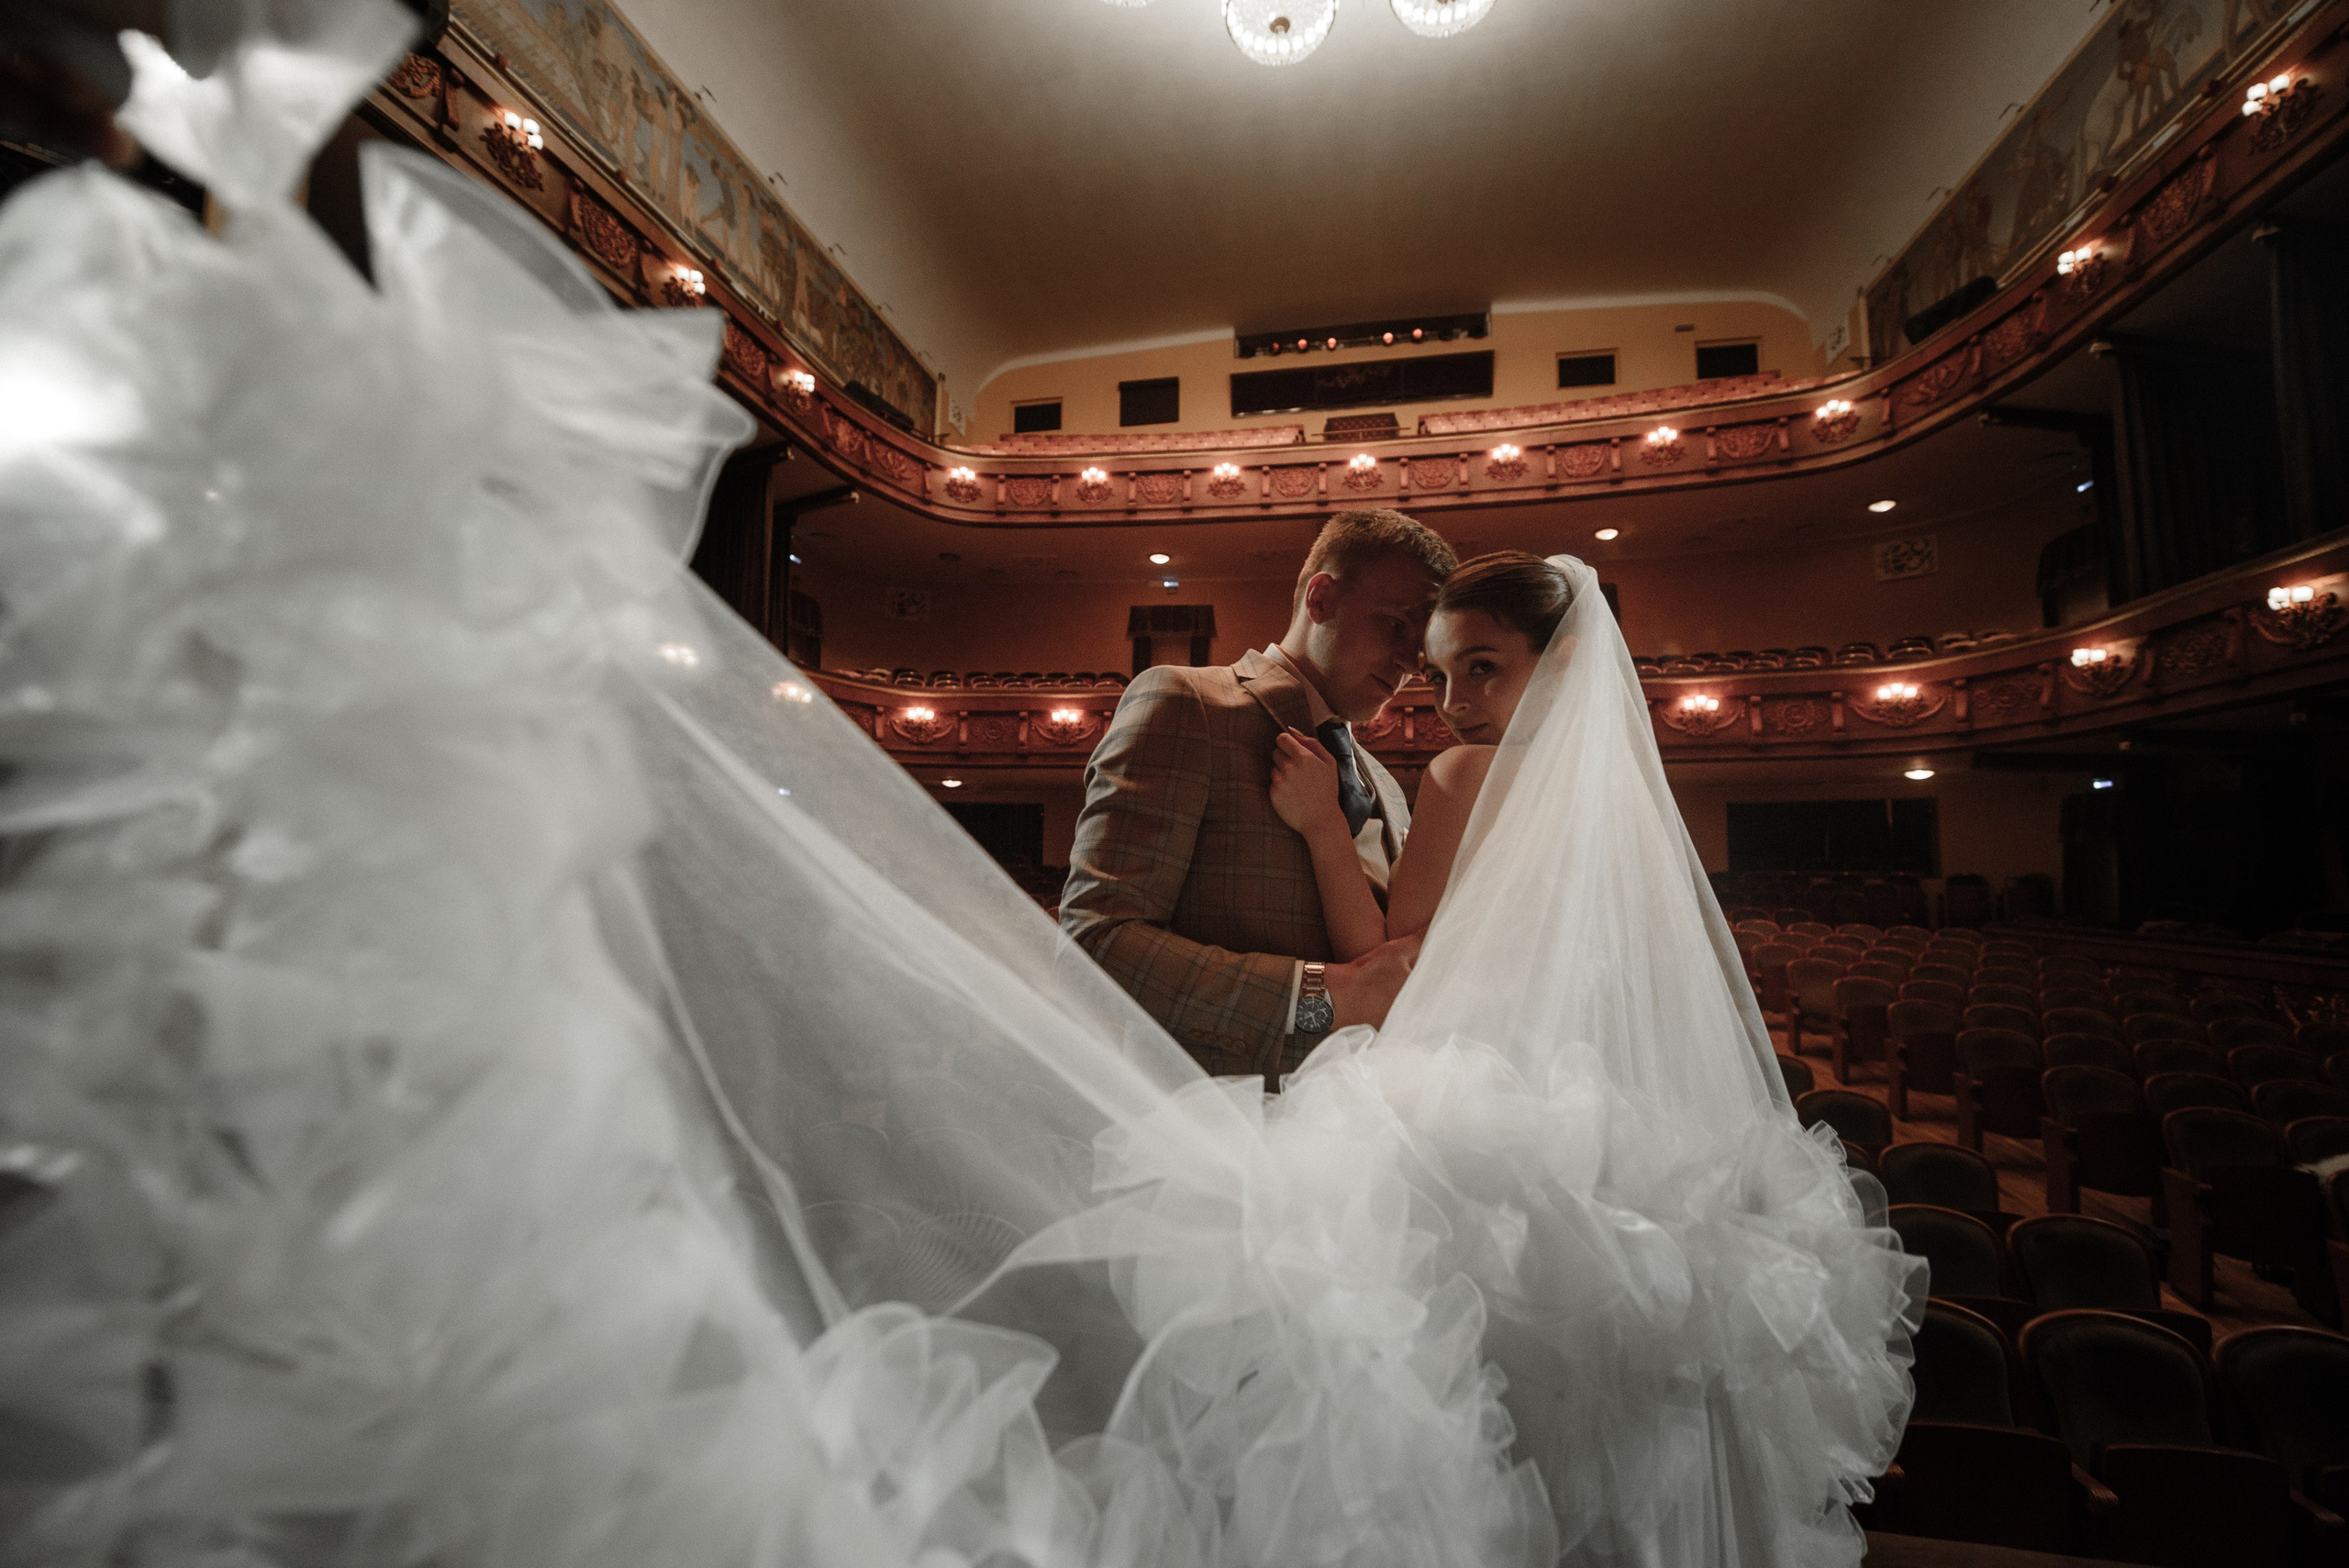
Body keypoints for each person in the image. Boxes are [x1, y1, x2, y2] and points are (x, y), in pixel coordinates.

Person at [1262, 549, 1922, 1563]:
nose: (1449, 700)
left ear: (1560, 664)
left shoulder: (1460, 771)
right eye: (1439, 673)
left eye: (1481, 666)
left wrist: (1317, 829)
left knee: (1480, 1388)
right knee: (1637, 1388)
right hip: (1623, 1113)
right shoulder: (1626, 805)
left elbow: (1383, 959)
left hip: (1476, 1100)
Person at [1058, 510, 1449, 1077]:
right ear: (1320, 600)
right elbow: (1095, 943)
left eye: (1425, 641)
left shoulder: (1384, 782)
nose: (1414, 661)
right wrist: (1326, 995)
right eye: (1395, 625)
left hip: (1360, 1123)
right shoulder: (1186, 702)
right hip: (1212, 1123)